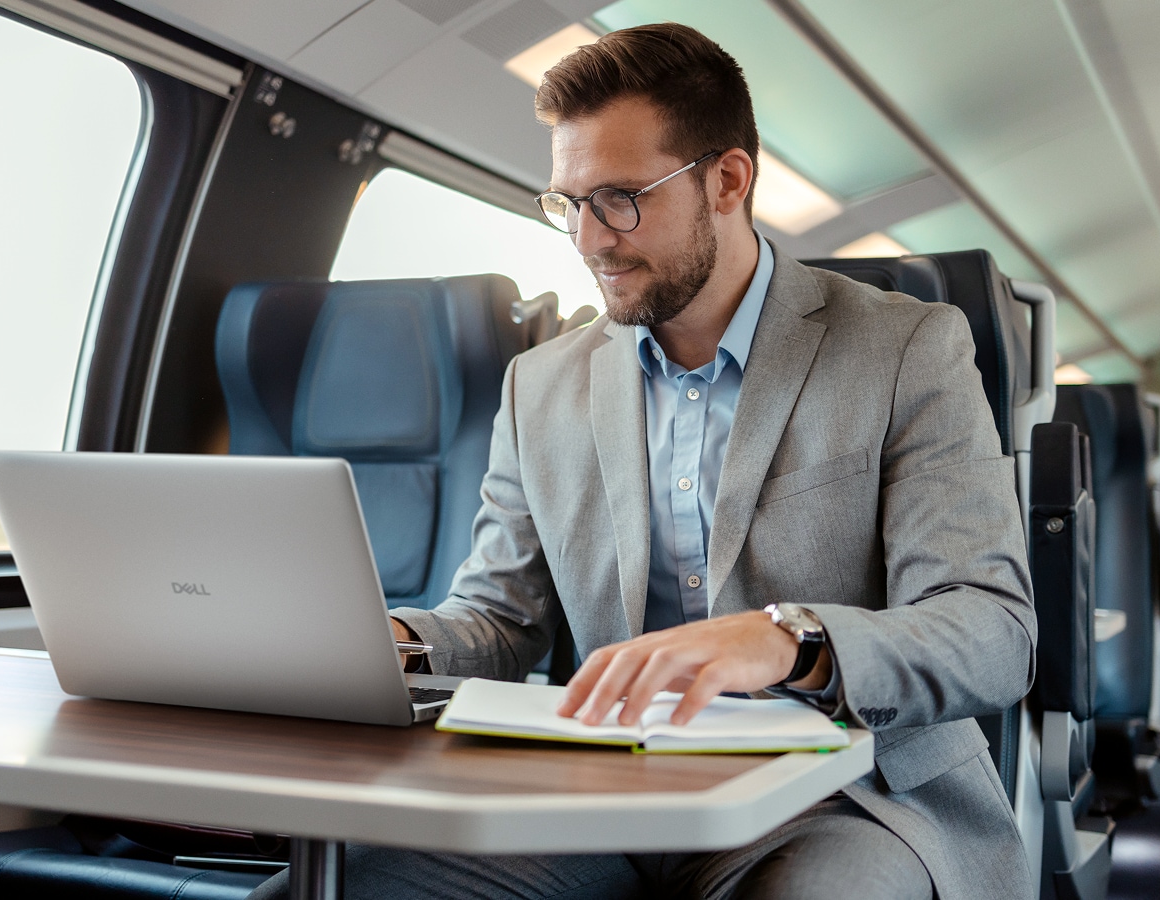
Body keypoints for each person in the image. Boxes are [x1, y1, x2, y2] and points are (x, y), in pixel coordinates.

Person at [256, 21, 1034, 900]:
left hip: (849, 797)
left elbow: (990, 630)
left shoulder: (906, 348)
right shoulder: (541, 387)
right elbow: (500, 623)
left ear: (728, 180)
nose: (589, 241)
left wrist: (789, 639)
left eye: (620, 198)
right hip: (610, 797)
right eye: (568, 203)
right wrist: (391, 644)